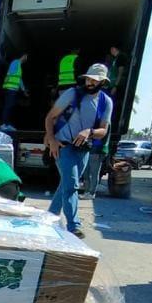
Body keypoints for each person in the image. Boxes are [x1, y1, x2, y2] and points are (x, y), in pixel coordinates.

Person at [44, 63, 113, 237]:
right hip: (63, 146)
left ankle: (48, 218)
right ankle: (73, 226)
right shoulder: (72, 94)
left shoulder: (106, 102)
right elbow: (50, 117)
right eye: (88, 79)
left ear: (102, 82)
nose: (90, 82)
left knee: (66, 185)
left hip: (83, 150)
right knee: (72, 185)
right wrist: (51, 139)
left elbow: (103, 130)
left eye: (94, 80)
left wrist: (89, 132)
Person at [0, 53, 28, 132]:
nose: (26, 59)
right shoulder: (15, 62)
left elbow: (19, 79)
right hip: (10, 88)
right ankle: (3, 124)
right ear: (23, 56)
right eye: (26, 57)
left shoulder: (19, 66)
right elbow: (11, 73)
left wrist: (23, 90)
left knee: (10, 106)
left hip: (13, 89)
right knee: (8, 106)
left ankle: (7, 124)